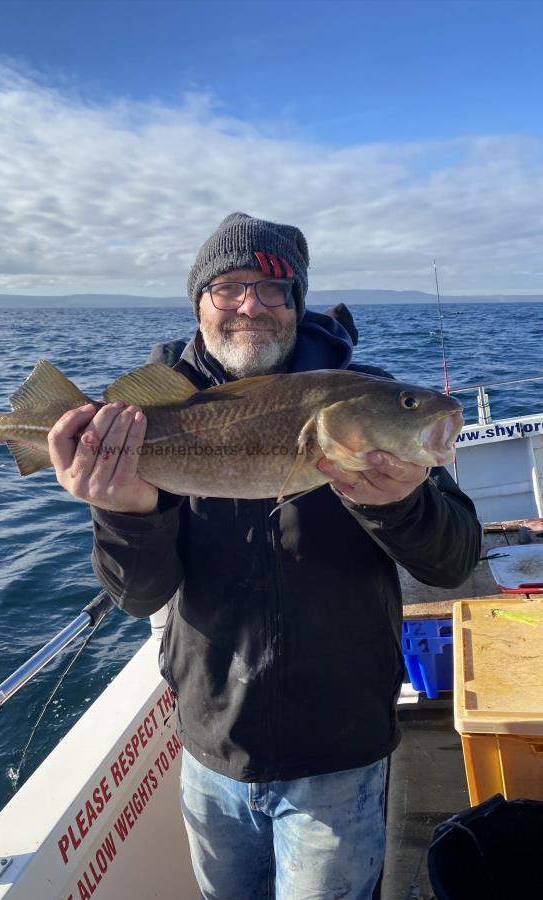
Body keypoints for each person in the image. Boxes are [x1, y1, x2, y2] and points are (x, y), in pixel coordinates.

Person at [48, 213, 481, 899]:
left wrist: (398, 502)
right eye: (226, 286)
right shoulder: (140, 422)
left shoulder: (362, 398)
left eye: (275, 289)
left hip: (339, 755)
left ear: (297, 303)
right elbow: (138, 596)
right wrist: (123, 511)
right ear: (198, 302)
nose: (251, 303)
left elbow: (455, 561)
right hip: (210, 751)